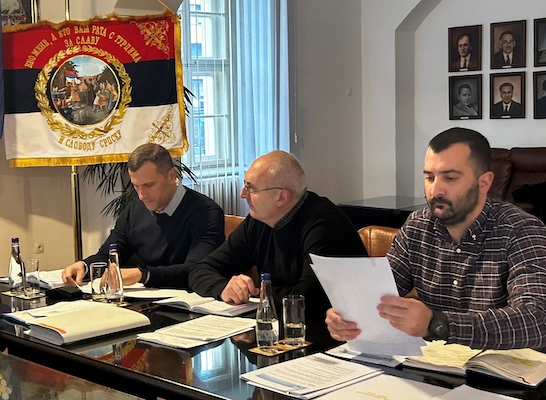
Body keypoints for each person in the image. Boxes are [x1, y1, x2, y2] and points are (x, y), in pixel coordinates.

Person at [326, 127, 546, 350]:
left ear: (484, 183)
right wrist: (348, 315)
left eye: (450, 178)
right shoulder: (417, 226)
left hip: (505, 367)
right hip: (432, 364)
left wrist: (438, 325)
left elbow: (537, 320)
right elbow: (381, 295)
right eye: (429, 177)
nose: (435, 190)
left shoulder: (521, 230)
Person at [188, 150, 367, 344]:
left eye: (250, 188)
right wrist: (224, 287)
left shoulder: (324, 224)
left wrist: (256, 292)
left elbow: (305, 302)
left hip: (329, 340)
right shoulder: (259, 221)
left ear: (281, 197)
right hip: (280, 334)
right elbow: (200, 270)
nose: (242, 194)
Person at [61, 143, 224, 289]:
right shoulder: (135, 210)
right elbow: (110, 254)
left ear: (172, 176)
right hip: (148, 301)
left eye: (149, 185)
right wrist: (84, 266)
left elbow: (196, 271)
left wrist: (143, 275)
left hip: (191, 303)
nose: (141, 195)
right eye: (136, 186)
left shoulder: (206, 213)